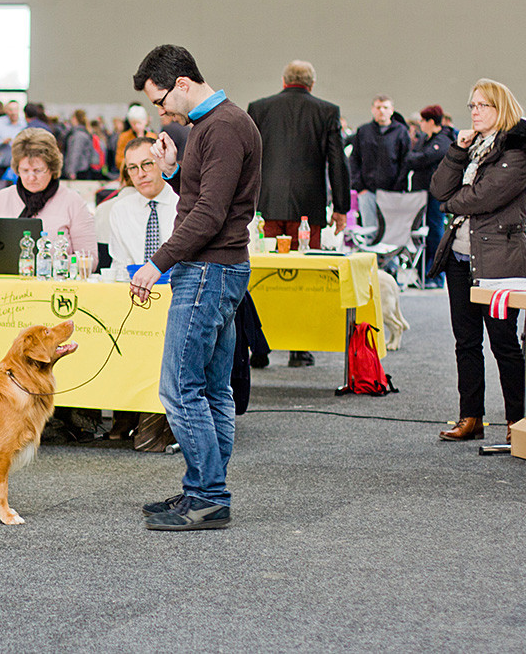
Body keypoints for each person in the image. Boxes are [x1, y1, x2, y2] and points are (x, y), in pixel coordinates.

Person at [129, 43, 261, 531]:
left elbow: (209, 214)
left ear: (182, 83)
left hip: (208, 270)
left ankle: (208, 495)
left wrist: (155, 263)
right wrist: (173, 172)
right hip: (217, 267)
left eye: (160, 99)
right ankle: (203, 490)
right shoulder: (211, 126)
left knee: (179, 388)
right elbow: (207, 198)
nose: (160, 111)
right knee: (210, 388)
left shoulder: (223, 126)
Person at [429, 79, 526, 446]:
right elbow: (440, 188)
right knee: (465, 341)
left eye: (482, 105)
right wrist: (457, 149)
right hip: (459, 257)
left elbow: (482, 198)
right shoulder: (472, 147)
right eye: (471, 105)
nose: (474, 111)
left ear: (501, 108)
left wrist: (451, 202)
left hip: (500, 261)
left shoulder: (517, 151)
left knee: (503, 343)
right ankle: (471, 416)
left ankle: (517, 421)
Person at [246, 60, 351, 367]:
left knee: (263, 276)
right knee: (304, 278)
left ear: (283, 80)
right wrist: (341, 208)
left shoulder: (259, 108)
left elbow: (247, 157)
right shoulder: (327, 111)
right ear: (312, 84)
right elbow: (337, 163)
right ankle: (300, 348)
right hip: (308, 211)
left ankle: (259, 345)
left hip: (266, 207)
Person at [0, 127, 98, 267]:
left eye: (38, 170)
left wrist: (49, 264)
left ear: (52, 169)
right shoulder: (1, 199)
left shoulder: (72, 201)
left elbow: (90, 259)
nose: (31, 177)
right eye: (25, 171)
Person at [107, 136, 178, 277]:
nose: (140, 174)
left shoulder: (182, 202)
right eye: (133, 168)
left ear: (161, 162)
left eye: (147, 164)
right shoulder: (120, 210)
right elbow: (119, 265)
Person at [403, 104, 455, 288]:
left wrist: (419, 158)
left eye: (423, 121)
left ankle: (436, 276)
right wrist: (419, 158)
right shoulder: (425, 138)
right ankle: (422, 274)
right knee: (419, 233)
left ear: (431, 122)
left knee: (435, 233)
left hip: (436, 194)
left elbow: (423, 157)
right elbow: (412, 158)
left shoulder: (444, 140)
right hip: (420, 192)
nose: (420, 125)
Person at [349, 95, 411, 231]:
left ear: (392, 110)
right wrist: (359, 186)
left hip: (392, 191)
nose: (381, 111)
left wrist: (398, 188)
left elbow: (406, 162)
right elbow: (354, 159)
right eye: (378, 107)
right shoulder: (363, 131)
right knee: (369, 230)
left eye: (385, 107)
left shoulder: (401, 132)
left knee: (390, 231)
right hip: (367, 191)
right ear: (372, 109)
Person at [0, 100, 26, 179]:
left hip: (19, 165)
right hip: (1, 164)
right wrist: (2, 142)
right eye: (11, 110)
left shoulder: (24, 124)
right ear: (6, 111)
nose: (14, 112)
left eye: (16, 109)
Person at [114, 104, 157, 170]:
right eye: (133, 124)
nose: (137, 126)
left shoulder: (152, 137)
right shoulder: (124, 137)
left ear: (145, 121)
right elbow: (119, 160)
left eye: (139, 123)